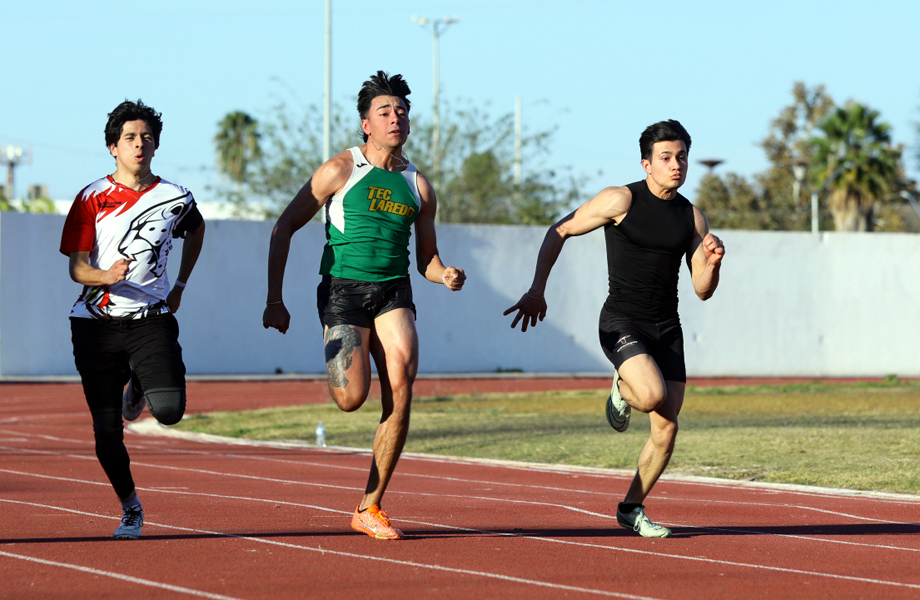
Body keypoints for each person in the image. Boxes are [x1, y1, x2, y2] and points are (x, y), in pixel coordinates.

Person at [262, 71, 466, 540]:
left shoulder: (419, 186)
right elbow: (283, 228)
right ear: (365, 125)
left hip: (393, 290)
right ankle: (343, 363)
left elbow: (427, 260)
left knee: (403, 376)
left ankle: (370, 506)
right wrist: (275, 297)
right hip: (342, 289)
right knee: (351, 398)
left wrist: (445, 274)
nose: (395, 118)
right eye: (384, 112)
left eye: (401, 111)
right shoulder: (340, 170)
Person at [504, 120, 724, 538]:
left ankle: (631, 507)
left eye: (681, 157)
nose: (676, 165)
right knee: (651, 395)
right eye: (666, 157)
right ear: (646, 164)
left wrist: (713, 263)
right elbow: (561, 229)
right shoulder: (620, 199)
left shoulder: (692, 216)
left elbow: (702, 290)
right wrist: (537, 289)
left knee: (667, 425)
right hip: (621, 321)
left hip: (668, 327)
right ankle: (621, 389)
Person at [60, 99, 206, 540]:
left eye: (146, 137)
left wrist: (180, 286)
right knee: (107, 432)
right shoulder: (91, 198)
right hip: (95, 324)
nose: (138, 144)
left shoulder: (176, 197)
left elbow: (197, 230)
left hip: (151, 319)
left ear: (156, 145)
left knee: (170, 411)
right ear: (112, 147)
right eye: (129, 138)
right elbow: (76, 269)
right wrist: (105, 276)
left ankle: (139, 383)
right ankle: (130, 507)